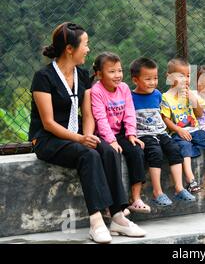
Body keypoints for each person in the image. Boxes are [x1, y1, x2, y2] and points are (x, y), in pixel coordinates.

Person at [29, 22, 144, 244]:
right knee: (88, 155)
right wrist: (82, 140)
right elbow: (49, 123)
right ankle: (96, 222)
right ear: (69, 49)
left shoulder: (82, 75)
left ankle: (118, 216)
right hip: (48, 139)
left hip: (78, 134)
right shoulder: (43, 77)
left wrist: (89, 137)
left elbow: (88, 113)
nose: (88, 49)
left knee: (108, 150)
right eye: (85, 44)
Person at [129, 57, 195, 206]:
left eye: (155, 78)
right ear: (135, 80)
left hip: (160, 132)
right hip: (143, 134)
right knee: (156, 153)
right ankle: (157, 192)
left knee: (174, 149)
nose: (153, 82)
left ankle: (179, 188)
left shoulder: (157, 94)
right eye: (148, 79)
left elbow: (162, 115)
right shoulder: (131, 97)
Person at [91, 52, 150, 214]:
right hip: (103, 135)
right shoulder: (97, 91)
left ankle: (136, 198)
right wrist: (111, 141)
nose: (117, 75)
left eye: (119, 70)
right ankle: (117, 205)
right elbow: (100, 118)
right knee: (113, 154)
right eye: (112, 71)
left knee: (136, 150)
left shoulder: (124, 88)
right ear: (99, 74)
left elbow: (130, 112)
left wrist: (131, 134)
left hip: (120, 133)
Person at [160, 57, 205, 193]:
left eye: (187, 76)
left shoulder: (191, 93)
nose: (185, 80)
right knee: (185, 148)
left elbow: (199, 113)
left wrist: (192, 99)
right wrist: (178, 129)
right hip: (178, 132)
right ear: (169, 77)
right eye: (180, 76)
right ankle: (191, 180)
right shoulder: (166, 97)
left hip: (195, 129)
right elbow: (165, 118)